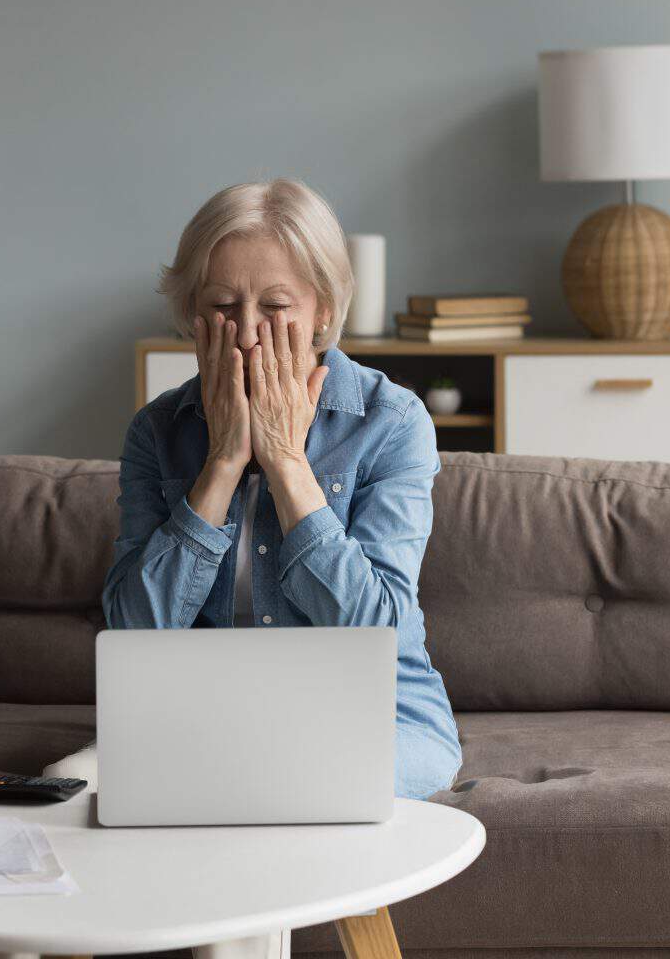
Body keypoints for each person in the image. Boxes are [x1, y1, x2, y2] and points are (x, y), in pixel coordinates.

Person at [45, 177, 461, 959]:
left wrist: (288, 464)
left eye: (274, 306)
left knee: (266, 802)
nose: (245, 336)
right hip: (202, 719)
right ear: (189, 316)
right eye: (222, 307)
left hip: (376, 719)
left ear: (324, 314)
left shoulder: (392, 422)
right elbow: (135, 630)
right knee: (61, 795)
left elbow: (377, 629)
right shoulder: (157, 432)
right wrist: (227, 461)